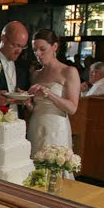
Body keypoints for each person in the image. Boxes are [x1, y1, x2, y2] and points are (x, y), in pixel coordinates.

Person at [25, 29, 80, 171]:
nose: (38, 54)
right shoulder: (36, 74)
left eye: (42, 49)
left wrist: (49, 93)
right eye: (35, 50)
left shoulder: (68, 71)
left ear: (54, 47)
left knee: (54, 169)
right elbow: (36, 108)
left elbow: (72, 108)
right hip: (36, 125)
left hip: (56, 128)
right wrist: (27, 102)